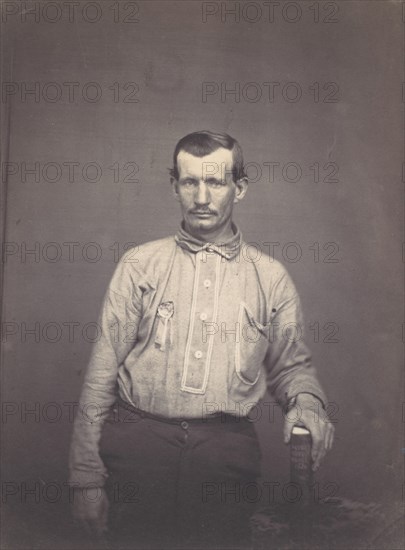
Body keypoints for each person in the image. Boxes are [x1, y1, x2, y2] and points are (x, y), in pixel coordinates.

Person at [69, 130, 334, 549]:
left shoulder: (269, 277)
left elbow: (291, 368)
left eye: (215, 182)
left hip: (227, 455)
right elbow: (100, 376)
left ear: (239, 188)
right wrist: (84, 478)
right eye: (190, 182)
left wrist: (307, 404)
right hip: (138, 446)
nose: (202, 197)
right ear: (175, 186)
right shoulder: (139, 265)